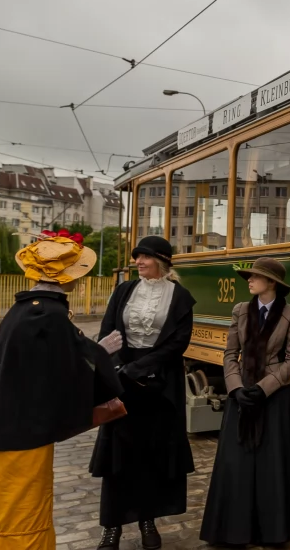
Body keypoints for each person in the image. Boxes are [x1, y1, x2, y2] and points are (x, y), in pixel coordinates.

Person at [0, 232, 121, 550]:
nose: (79, 280)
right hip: (25, 433)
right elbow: (68, 369)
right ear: (65, 276)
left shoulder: (23, 309)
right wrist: (101, 353)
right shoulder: (49, 314)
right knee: (24, 504)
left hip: (0, 427)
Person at [90, 235, 196, 550]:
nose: (138, 262)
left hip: (159, 386)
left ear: (161, 261)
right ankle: (111, 527)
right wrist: (117, 369)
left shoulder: (181, 297)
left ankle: (147, 520)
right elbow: (108, 332)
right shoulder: (124, 290)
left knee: (152, 456)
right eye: (137, 257)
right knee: (117, 457)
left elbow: (178, 343)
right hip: (121, 383)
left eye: (145, 257)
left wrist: (140, 369)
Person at [200, 257, 290, 546]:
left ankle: (273, 529)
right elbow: (230, 354)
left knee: (272, 463)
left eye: (255, 276)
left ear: (272, 283)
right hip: (241, 395)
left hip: (275, 397)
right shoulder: (240, 310)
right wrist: (236, 388)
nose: (249, 280)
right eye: (249, 277)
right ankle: (235, 528)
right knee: (236, 462)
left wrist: (264, 389)